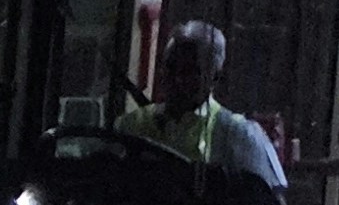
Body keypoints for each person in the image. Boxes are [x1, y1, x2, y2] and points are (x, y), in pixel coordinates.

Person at [121, 19, 286, 192]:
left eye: (189, 71)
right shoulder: (131, 125)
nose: (176, 79)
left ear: (215, 77)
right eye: (170, 67)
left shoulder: (239, 136)